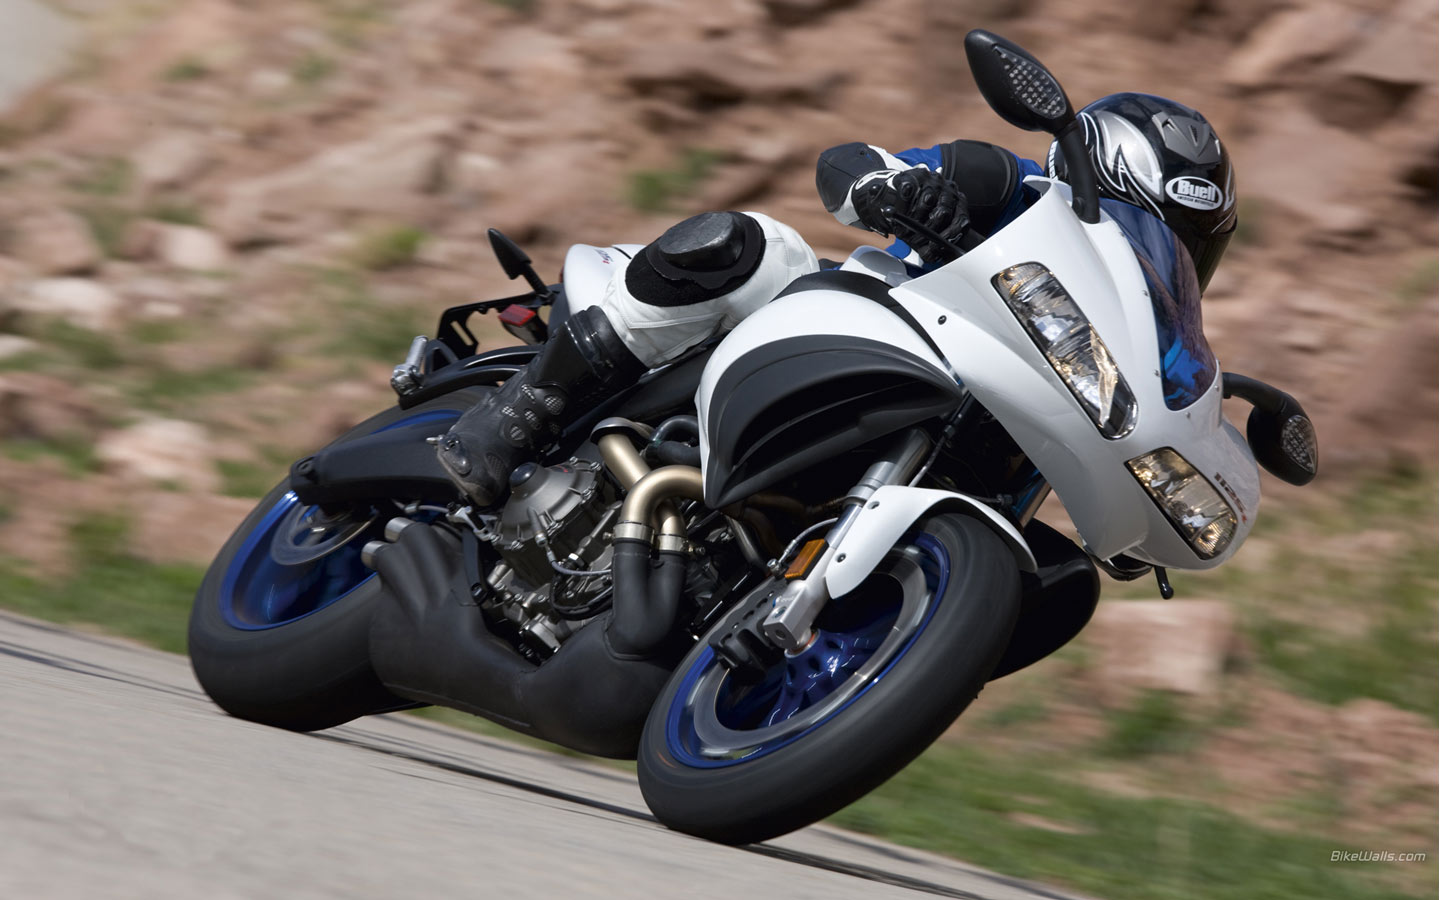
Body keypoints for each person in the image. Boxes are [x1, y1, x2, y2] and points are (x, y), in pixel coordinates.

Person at [437, 93, 1238, 507]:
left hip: (984, 416)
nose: (1152, 254)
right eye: (1139, 223)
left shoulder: (1140, 345)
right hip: (844, 328)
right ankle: (522, 412)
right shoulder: (1013, 186)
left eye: (1180, 245)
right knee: (747, 243)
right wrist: (896, 188)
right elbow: (852, 163)